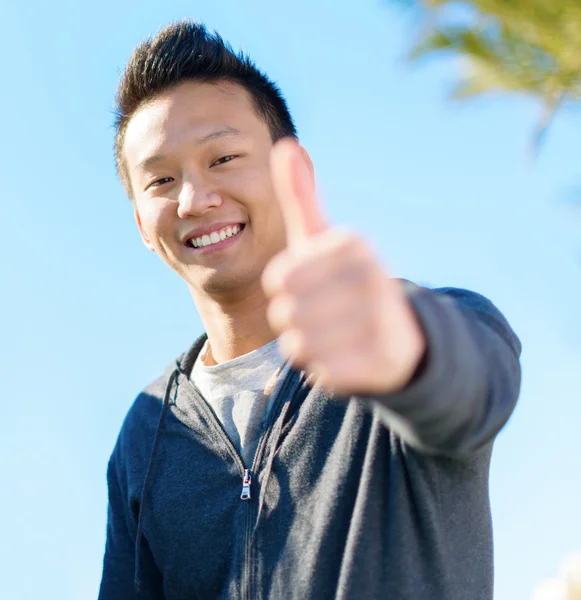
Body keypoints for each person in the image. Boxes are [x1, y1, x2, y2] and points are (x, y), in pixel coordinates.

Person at [98, 19, 522, 600]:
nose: (195, 199)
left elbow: (479, 380)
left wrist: (409, 356)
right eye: (162, 179)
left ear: (292, 170)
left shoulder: (398, 326)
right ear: (142, 226)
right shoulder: (147, 431)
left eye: (223, 158)